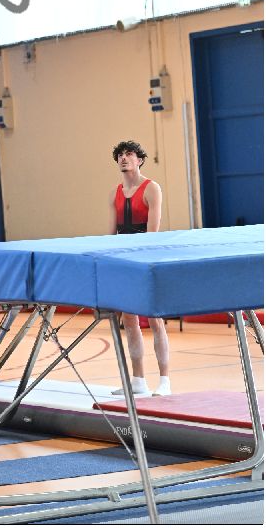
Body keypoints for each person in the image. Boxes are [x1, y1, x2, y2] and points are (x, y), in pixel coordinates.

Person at [108, 140, 171, 398]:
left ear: (140, 160)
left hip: (146, 259)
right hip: (124, 262)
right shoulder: (116, 192)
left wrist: (140, 260)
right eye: (120, 155)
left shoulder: (151, 188)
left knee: (155, 320)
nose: (124, 158)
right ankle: (138, 380)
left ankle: (165, 380)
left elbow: (152, 233)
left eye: (129, 154)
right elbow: (112, 233)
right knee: (130, 321)